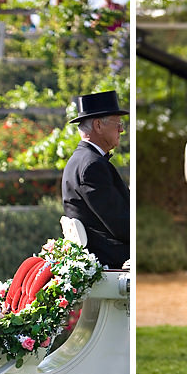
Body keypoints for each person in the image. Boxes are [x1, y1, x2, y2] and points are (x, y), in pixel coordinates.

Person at [62, 90, 130, 269]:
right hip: (110, 259)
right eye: (118, 123)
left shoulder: (83, 160)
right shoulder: (92, 165)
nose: (121, 129)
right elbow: (121, 225)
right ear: (98, 125)